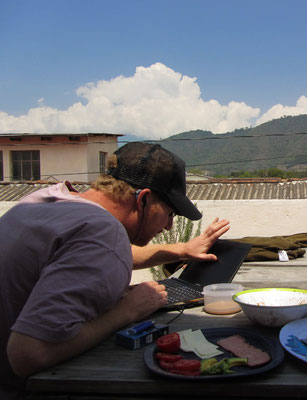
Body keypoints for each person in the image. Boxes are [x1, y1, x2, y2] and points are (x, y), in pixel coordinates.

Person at [0, 142, 229, 399]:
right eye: (169, 212)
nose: (168, 226)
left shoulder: (49, 199)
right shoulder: (101, 234)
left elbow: (99, 253)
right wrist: (127, 311)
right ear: (143, 199)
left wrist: (182, 249)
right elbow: (28, 354)